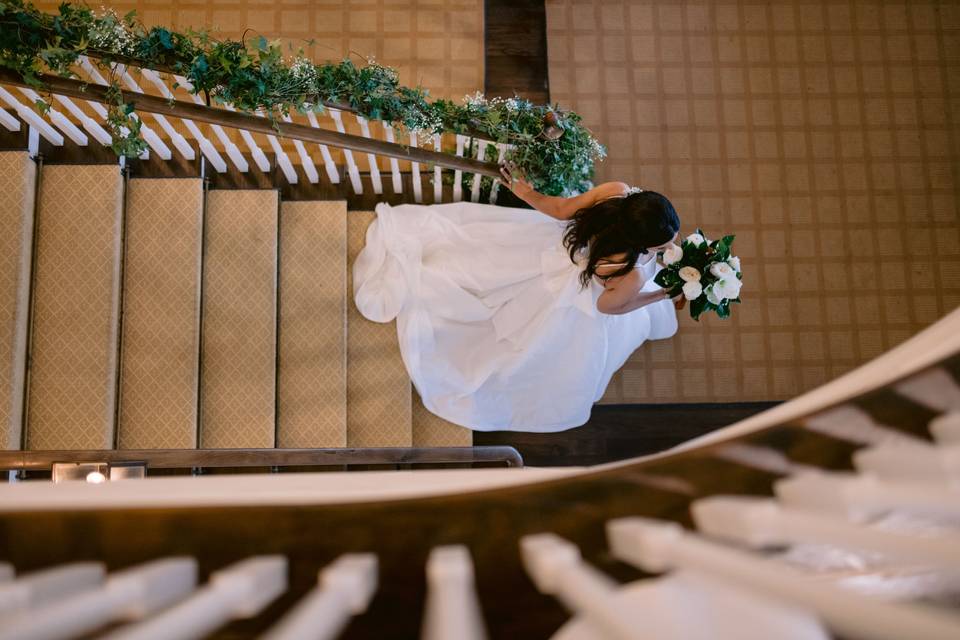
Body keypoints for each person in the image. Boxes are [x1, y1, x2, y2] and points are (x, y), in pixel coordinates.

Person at [352, 162, 682, 432]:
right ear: (642, 244)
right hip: (568, 296)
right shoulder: (632, 272)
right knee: (521, 343)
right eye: (661, 245)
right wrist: (659, 296)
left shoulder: (616, 192)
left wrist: (524, 191)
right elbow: (608, 306)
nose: (668, 247)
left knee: (488, 267)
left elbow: (561, 209)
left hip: (553, 252)